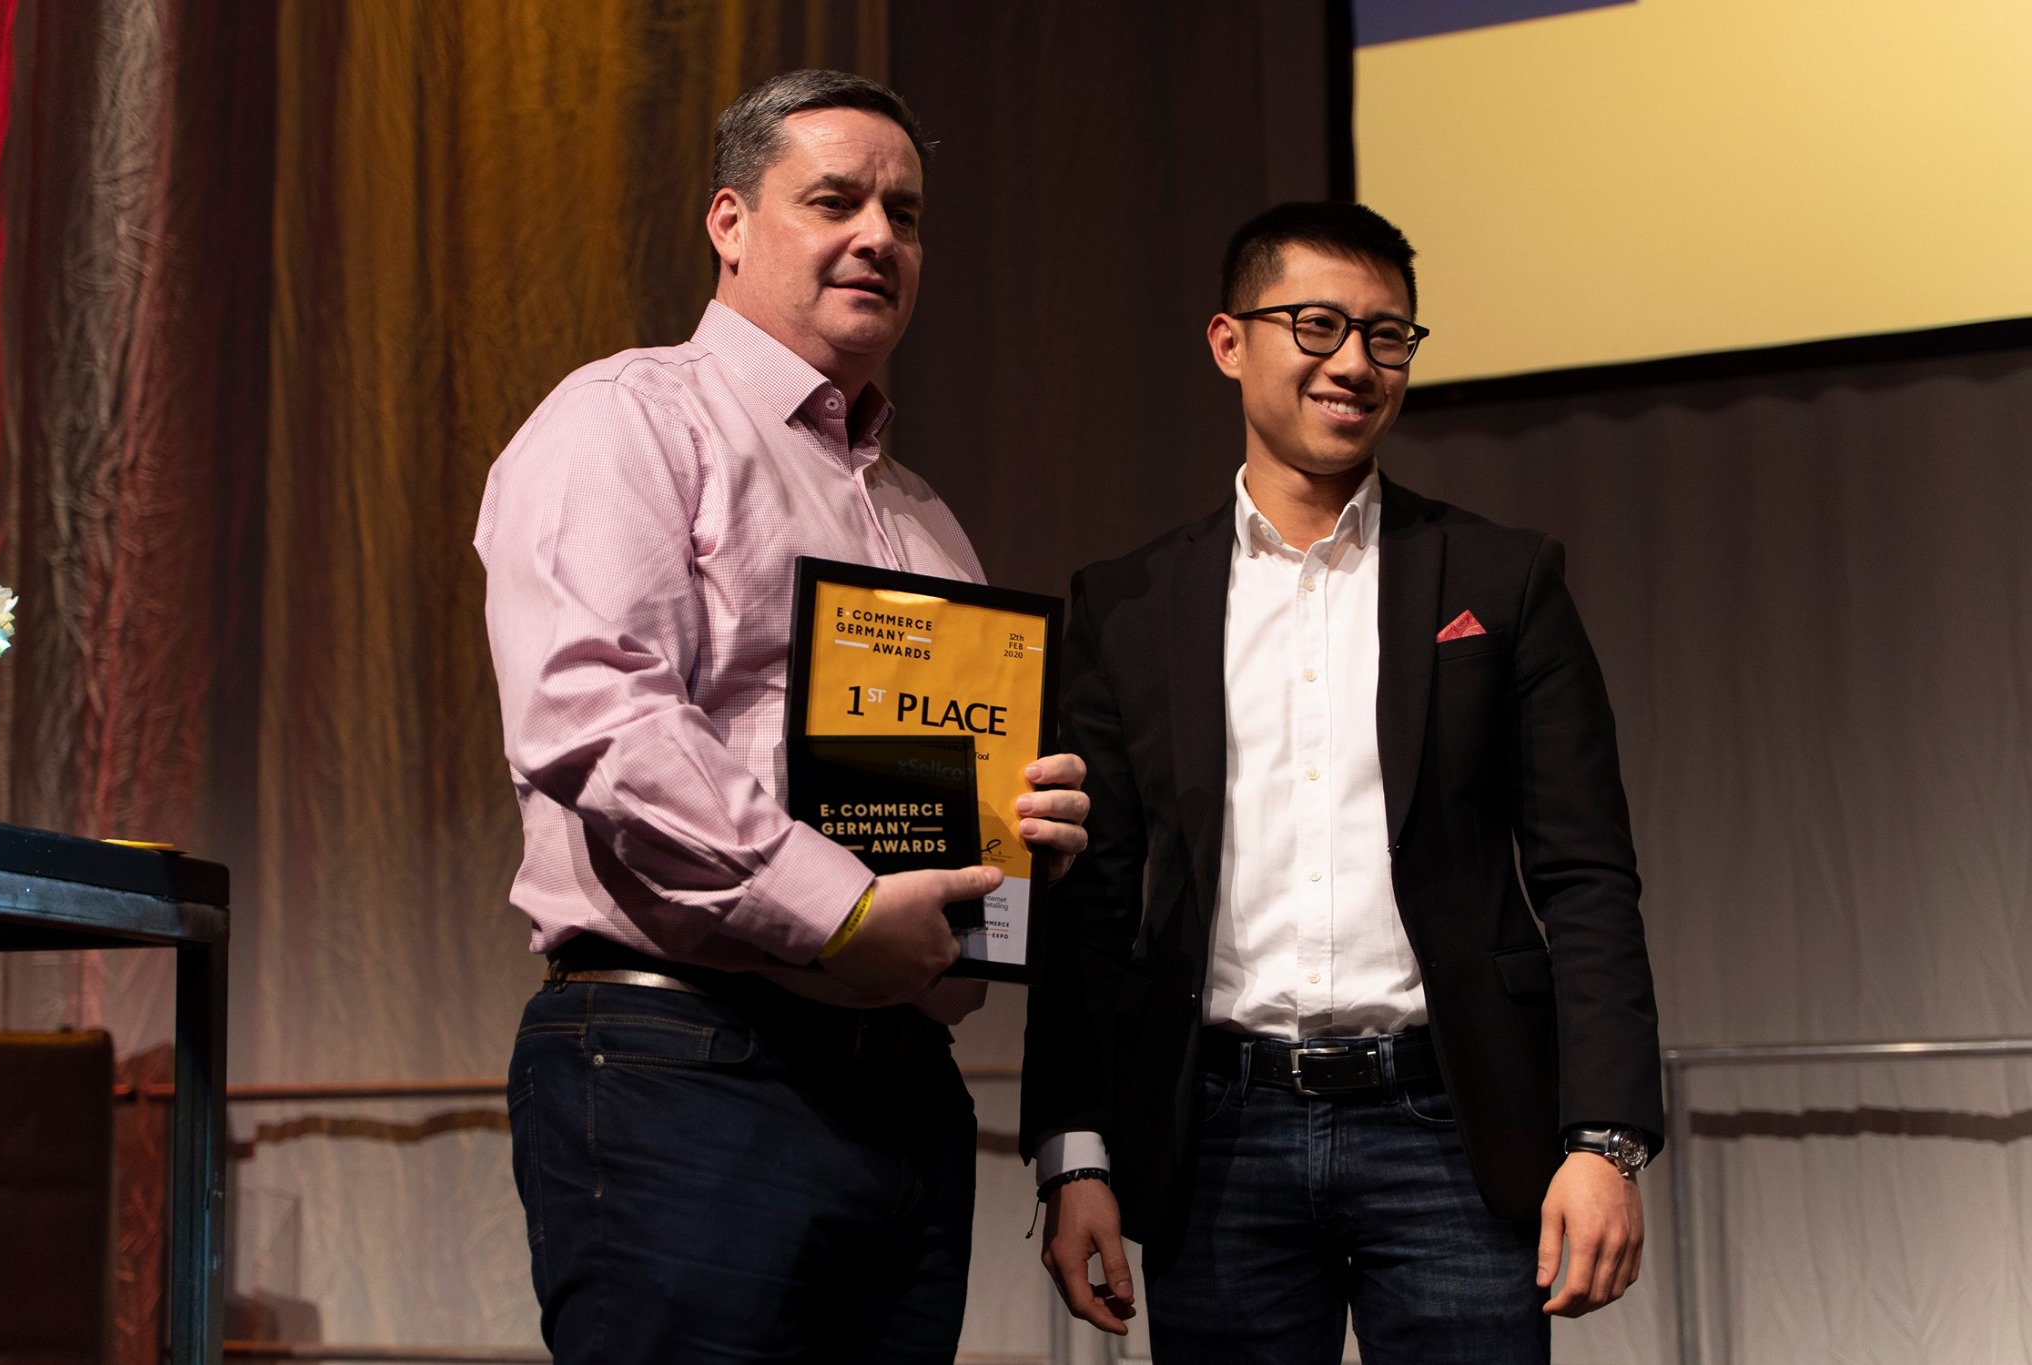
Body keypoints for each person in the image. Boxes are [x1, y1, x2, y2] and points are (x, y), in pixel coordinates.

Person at [475, 69, 1088, 1363]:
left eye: (903, 214)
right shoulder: (629, 418)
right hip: (687, 1058)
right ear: (730, 221)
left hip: (901, 1091)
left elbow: (946, 811)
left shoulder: (923, 518)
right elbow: (592, 714)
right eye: (834, 200)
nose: (877, 237)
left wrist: (1020, 845)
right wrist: (842, 910)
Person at [1019, 201, 1663, 1364]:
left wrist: (1604, 1138)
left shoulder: (1498, 579)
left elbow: (1585, 875)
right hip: (1216, 1133)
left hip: (1449, 1125)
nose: (1355, 363)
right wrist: (1074, 1151)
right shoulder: (1128, 604)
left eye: (1386, 335)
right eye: (1315, 325)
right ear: (1228, 342)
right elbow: (1094, 901)